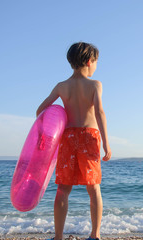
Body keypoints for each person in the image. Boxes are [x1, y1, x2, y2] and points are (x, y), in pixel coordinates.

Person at [36, 42, 112, 240]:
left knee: (63, 189)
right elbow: (100, 112)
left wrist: (44, 137)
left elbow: (40, 111)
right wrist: (106, 143)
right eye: (96, 62)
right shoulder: (95, 85)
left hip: (67, 138)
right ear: (89, 61)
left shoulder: (62, 86)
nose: (96, 66)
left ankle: (58, 236)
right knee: (93, 187)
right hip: (89, 137)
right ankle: (95, 235)